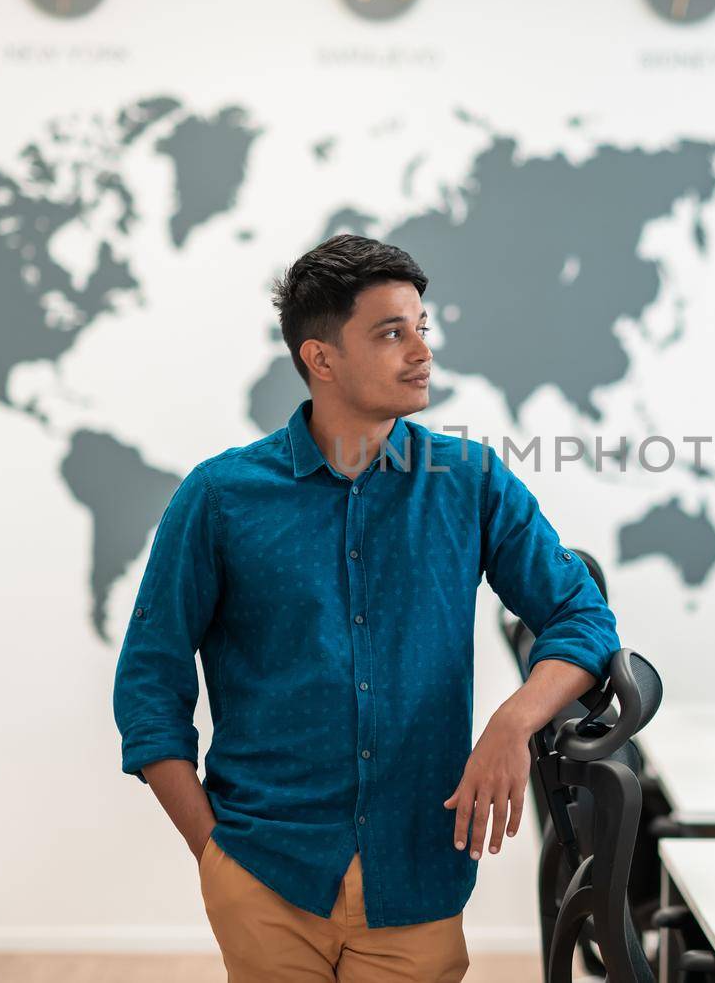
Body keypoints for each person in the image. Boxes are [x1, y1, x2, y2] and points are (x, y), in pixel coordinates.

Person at [112, 234, 620, 982]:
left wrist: (513, 721)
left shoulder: (468, 480)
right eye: (391, 332)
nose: (421, 351)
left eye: (423, 327)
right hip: (265, 872)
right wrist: (213, 851)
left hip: (416, 877)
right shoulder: (220, 497)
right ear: (321, 358)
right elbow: (148, 685)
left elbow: (583, 617)